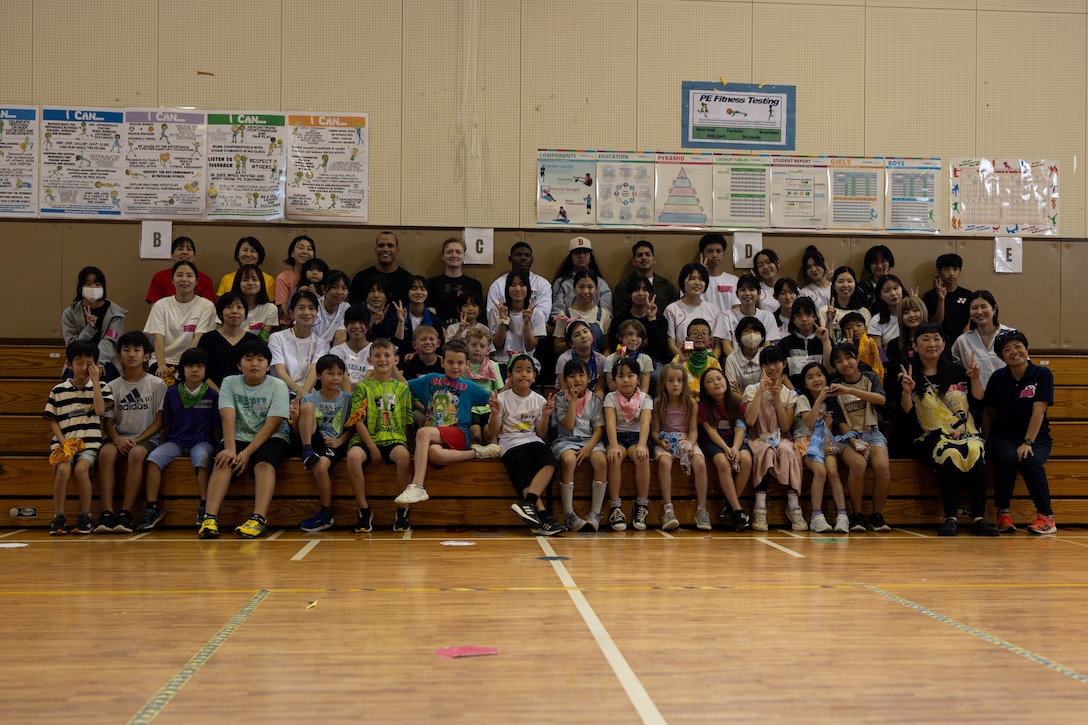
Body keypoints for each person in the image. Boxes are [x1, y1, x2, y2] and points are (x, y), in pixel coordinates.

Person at [896, 323, 998, 537]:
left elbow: (978, 400)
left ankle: (979, 518)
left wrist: (975, 378)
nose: (931, 344)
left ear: (944, 344)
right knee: (951, 453)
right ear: (915, 345)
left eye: (936, 339)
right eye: (925, 339)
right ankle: (950, 517)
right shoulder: (907, 373)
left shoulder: (959, 371)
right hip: (928, 436)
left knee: (976, 450)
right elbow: (905, 413)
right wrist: (907, 392)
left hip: (966, 431)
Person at [199, 340, 292, 539]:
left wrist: (247, 453)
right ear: (239, 365)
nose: (254, 364)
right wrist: (231, 448)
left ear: (268, 365)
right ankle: (210, 517)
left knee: (263, 463)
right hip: (238, 434)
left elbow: (272, 424)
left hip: (273, 436)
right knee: (222, 460)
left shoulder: (278, 385)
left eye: (260, 359)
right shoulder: (230, 382)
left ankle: (258, 518)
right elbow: (228, 415)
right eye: (248, 359)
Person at [395, 340, 496, 506]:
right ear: (442, 362)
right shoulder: (430, 379)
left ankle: (417, 485)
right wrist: (392, 365)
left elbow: (495, 399)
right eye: (450, 362)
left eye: (460, 363)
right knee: (434, 454)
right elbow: (404, 385)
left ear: (467, 364)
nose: (455, 366)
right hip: (437, 436)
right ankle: (476, 452)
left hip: (459, 433)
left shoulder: (468, 386)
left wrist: (507, 387)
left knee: (423, 432)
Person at [983, 330, 1057, 535]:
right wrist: (987, 440)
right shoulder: (998, 378)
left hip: (1036, 436)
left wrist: (1028, 442)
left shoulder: (1042, 374)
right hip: (1003, 436)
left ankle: (1046, 517)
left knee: (1028, 459)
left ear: (1026, 349)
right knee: (1006, 457)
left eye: (1018, 346)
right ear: (1001, 357)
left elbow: (1039, 410)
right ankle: (1003, 515)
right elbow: (989, 411)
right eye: (1007, 349)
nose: (1014, 352)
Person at [140, 347, 219, 531]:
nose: (194, 370)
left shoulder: (212, 395)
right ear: (181, 369)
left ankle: (205, 507)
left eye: (199, 366)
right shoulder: (172, 393)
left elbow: (216, 428)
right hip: (175, 442)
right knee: (152, 459)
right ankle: (152, 507)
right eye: (190, 366)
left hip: (202, 442)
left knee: (202, 459)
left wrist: (214, 447)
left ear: (206, 369)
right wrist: (167, 440)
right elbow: (166, 424)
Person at [95, 332, 166, 534]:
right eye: (126, 350)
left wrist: (136, 440)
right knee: (106, 454)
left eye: (137, 350)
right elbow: (107, 424)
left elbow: (160, 421)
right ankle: (107, 512)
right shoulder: (112, 386)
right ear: (119, 356)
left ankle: (126, 513)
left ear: (146, 356)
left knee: (136, 454)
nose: (132, 354)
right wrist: (118, 440)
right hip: (119, 437)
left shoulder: (157, 384)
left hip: (146, 438)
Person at [43, 339, 114, 535]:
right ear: (69, 364)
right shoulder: (58, 390)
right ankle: (58, 517)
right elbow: (52, 419)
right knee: (64, 470)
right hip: (64, 443)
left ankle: (85, 516)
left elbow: (100, 411)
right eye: (79, 363)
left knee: (82, 469)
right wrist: (62, 440)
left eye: (88, 363)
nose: (83, 367)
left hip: (89, 444)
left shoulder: (101, 387)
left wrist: (96, 383)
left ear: (96, 365)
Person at [344, 338, 415, 532]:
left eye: (387, 355)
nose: (382, 359)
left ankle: (403, 509)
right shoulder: (363, 387)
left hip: (394, 438)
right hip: (368, 439)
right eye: (377, 356)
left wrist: (410, 447)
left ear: (396, 360)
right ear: (369, 360)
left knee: (403, 456)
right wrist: (372, 447)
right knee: (353, 457)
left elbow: (408, 420)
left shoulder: (402, 389)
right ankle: (364, 510)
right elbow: (357, 419)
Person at [491, 354, 565, 535]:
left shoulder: (539, 400)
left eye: (528, 370)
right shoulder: (501, 399)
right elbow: (493, 432)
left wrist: (546, 415)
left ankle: (528, 503)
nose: (524, 374)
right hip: (510, 444)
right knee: (525, 476)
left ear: (534, 377)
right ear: (509, 376)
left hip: (533, 440)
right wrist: (494, 413)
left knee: (550, 462)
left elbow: (541, 433)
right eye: (518, 370)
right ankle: (545, 517)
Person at [827, 342, 892, 532]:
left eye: (848, 358)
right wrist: (853, 440)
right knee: (858, 464)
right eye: (838, 361)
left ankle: (877, 515)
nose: (845, 363)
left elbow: (880, 400)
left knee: (882, 467)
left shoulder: (871, 377)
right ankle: (856, 515)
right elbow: (839, 419)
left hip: (872, 432)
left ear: (857, 358)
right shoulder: (834, 386)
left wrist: (850, 390)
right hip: (847, 437)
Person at [742, 346, 804, 532]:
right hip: (758, 438)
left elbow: (786, 427)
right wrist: (761, 392)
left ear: (784, 364)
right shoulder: (752, 390)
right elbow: (750, 420)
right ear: (762, 367)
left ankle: (793, 506)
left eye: (776, 362)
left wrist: (777, 399)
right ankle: (759, 508)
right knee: (765, 451)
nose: (772, 368)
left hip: (781, 437)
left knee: (787, 451)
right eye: (766, 363)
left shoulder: (789, 394)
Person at [296, 355, 356, 532]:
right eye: (330, 373)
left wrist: (340, 441)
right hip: (313, 440)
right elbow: (298, 432)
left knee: (320, 467)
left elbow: (353, 427)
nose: (336, 378)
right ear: (319, 375)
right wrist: (295, 418)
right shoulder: (309, 399)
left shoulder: (348, 399)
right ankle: (307, 451)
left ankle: (326, 514)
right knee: (305, 408)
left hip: (333, 444)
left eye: (339, 374)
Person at [552, 358, 609, 532]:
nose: (577, 379)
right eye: (572, 375)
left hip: (589, 441)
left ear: (589, 377)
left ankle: (595, 514)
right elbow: (568, 425)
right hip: (566, 441)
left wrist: (588, 448)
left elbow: (598, 431)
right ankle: (569, 514)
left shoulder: (596, 400)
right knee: (569, 460)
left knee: (601, 462)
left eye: (581, 374)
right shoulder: (560, 399)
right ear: (565, 379)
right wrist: (573, 400)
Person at [652, 363, 711, 530]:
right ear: (663, 383)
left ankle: (702, 510)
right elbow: (654, 432)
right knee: (664, 462)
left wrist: (690, 444)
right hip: (667, 442)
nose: (675, 384)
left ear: (685, 383)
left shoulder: (691, 403)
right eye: (671, 380)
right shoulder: (658, 404)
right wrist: (660, 442)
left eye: (679, 380)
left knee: (700, 463)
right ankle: (668, 510)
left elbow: (693, 430)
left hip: (686, 440)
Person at [793, 362, 849, 533]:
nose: (816, 379)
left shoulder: (833, 399)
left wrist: (829, 425)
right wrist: (818, 400)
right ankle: (816, 516)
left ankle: (842, 516)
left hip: (826, 441)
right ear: (804, 383)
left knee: (832, 471)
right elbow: (809, 422)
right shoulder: (803, 399)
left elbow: (832, 427)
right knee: (821, 471)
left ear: (826, 377)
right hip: (806, 441)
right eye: (810, 377)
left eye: (819, 375)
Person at [697, 368, 751, 531]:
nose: (716, 383)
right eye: (710, 381)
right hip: (713, 442)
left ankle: (730, 505)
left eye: (719, 378)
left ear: (726, 382)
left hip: (734, 440)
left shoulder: (737, 405)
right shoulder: (702, 407)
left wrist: (734, 447)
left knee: (746, 459)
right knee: (722, 462)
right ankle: (738, 510)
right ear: (705, 390)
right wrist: (726, 448)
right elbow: (711, 431)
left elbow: (740, 429)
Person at [144, 260, 217, 381]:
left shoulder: (206, 306)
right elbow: (158, 337)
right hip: (163, 360)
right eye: (179, 275)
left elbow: (198, 337)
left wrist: (186, 365)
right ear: (172, 280)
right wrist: (161, 365)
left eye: (189, 275)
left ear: (197, 281)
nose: (184, 279)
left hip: (192, 362)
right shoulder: (161, 305)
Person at [604, 357, 654, 531]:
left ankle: (642, 504)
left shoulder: (645, 398)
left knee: (642, 457)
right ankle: (615, 507)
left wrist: (642, 445)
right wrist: (613, 445)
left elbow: (645, 423)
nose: (626, 380)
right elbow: (610, 423)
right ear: (615, 379)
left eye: (630, 375)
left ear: (638, 378)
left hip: (636, 437)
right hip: (616, 437)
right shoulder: (610, 397)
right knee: (615, 458)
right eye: (620, 376)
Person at [61, 266, 126, 381]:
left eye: (97, 284)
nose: (93, 288)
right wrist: (89, 329)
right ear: (81, 287)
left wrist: (98, 363)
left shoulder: (115, 313)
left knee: (105, 378)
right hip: (78, 360)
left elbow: (110, 342)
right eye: (88, 284)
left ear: (103, 287)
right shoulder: (70, 313)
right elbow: (72, 345)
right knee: (70, 379)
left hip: (106, 360)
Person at [269, 290, 330, 399]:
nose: (307, 312)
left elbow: (314, 371)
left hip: (308, 394)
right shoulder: (277, 338)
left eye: (311, 308)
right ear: (292, 312)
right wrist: (299, 391)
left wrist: (304, 394)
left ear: (317, 313)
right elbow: (280, 371)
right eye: (301, 308)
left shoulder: (322, 344)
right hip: (280, 393)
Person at [665, 262, 731, 359]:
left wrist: (710, 361)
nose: (697, 283)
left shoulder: (714, 310)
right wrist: (687, 360)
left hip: (709, 363)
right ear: (683, 281)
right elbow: (671, 345)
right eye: (692, 278)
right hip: (683, 362)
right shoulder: (672, 309)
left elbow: (717, 345)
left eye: (701, 279)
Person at [951, 290, 1012, 390]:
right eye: (974, 308)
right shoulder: (962, 341)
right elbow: (954, 371)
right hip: (976, 398)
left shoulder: (1010, 335)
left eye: (984, 306)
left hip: (1008, 395)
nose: (979, 312)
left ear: (994, 308)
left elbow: (1024, 366)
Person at [198, 292, 259, 390]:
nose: (234, 311)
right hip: (214, 394)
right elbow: (201, 371)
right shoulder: (207, 339)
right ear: (220, 313)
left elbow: (258, 373)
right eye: (229, 307)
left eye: (239, 307)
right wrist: (221, 395)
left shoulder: (253, 341)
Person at [490, 268, 546, 375]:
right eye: (513, 285)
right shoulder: (497, 310)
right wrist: (503, 321)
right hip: (502, 361)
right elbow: (497, 345)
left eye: (522, 285)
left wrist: (526, 323)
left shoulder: (536, 313)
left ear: (528, 288)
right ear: (507, 288)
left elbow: (530, 346)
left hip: (526, 360)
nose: (517, 289)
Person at [612, 239, 680, 324]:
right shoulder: (624, 286)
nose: (644, 258)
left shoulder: (666, 286)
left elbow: (675, 312)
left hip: (661, 331)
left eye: (648, 255)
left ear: (654, 259)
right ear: (633, 261)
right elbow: (619, 315)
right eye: (639, 255)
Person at [485, 241, 553, 323]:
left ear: (532, 259)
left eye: (527, 255)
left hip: (533, 332)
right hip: (504, 331)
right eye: (518, 255)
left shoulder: (542, 284)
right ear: (510, 259)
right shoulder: (498, 285)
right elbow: (492, 316)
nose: (523, 258)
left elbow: (544, 315)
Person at [609, 276, 671, 364]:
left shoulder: (660, 319)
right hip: (626, 359)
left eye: (645, 289)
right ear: (628, 294)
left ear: (651, 294)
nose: (641, 293)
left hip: (653, 362)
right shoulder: (620, 320)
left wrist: (652, 319)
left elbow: (661, 347)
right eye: (636, 289)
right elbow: (615, 342)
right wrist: (622, 353)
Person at [550, 236, 613, 319]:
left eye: (585, 252)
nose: (582, 256)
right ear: (571, 257)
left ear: (590, 257)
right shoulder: (561, 283)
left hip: (595, 327)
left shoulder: (601, 284)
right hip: (568, 327)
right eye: (577, 252)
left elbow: (607, 315)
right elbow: (556, 314)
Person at [349, 230, 415, 307]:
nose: (385, 249)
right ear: (376, 250)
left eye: (390, 245)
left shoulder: (409, 280)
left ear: (397, 251)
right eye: (381, 245)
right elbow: (355, 312)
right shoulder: (360, 278)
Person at [427, 237, 483, 328]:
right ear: (443, 256)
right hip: (440, 330)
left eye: (458, 252)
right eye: (449, 252)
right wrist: (442, 331)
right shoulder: (432, 283)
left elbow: (476, 315)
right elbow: (430, 312)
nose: (454, 255)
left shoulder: (474, 285)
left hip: (467, 330)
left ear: (464, 256)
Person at [463, 327, 504, 450]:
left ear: (488, 350)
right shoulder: (462, 365)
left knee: (490, 435)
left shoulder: (493, 366)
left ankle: (494, 462)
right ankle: (473, 462)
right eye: (473, 345)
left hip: (489, 408)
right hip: (470, 408)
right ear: (466, 346)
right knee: (475, 436)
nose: (477, 349)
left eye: (482, 346)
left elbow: (500, 391)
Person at [554, 269, 611, 355]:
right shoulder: (564, 315)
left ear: (596, 289)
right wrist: (574, 341)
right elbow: (557, 348)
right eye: (581, 287)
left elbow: (607, 348)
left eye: (590, 287)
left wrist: (603, 363)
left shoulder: (604, 314)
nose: (585, 292)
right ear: (574, 288)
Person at [777, 296, 831, 386]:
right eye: (799, 316)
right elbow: (782, 374)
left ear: (815, 317)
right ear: (793, 319)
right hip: (793, 394)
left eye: (808, 314)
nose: (804, 319)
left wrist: (825, 341)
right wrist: (795, 393)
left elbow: (830, 371)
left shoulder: (825, 341)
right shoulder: (784, 344)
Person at [145, 236, 215, 304]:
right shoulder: (159, 277)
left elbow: (208, 308)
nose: (185, 252)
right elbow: (155, 309)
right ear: (172, 255)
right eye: (180, 249)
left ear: (194, 256)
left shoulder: (206, 280)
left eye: (189, 249)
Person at [922, 253, 973, 341]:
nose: (951, 273)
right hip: (940, 341)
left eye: (955, 269)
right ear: (939, 271)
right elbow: (935, 323)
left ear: (960, 271)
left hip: (965, 340)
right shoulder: (929, 296)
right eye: (946, 269)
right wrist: (941, 299)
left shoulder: (968, 295)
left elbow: (973, 318)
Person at [817, 266, 870, 343]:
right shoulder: (824, 311)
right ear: (834, 286)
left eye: (849, 281)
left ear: (855, 284)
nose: (845, 285)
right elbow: (823, 340)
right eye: (840, 281)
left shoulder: (864, 312)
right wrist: (829, 321)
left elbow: (867, 339)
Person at [725, 273, 780, 348]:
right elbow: (726, 345)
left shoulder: (768, 316)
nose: (747, 293)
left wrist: (759, 359)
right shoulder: (727, 315)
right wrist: (735, 359)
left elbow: (767, 344)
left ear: (759, 293)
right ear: (737, 294)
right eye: (743, 290)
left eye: (751, 289)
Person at [555, 319, 606, 397]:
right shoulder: (564, 359)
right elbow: (564, 388)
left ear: (592, 335)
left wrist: (594, 406)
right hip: (567, 396)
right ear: (571, 343)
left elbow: (599, 389)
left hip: (591, 397)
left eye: (585, 331)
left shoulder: (601, 360)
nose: (583, 336)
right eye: (577, 335)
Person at [393, 275, 440, 358]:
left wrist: (416, 355)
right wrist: (401, 322)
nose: (419, 292)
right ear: (407, 291)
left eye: (423, 289)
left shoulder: (434, 320)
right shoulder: (396, 316)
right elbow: (396, 345)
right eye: (414, 289)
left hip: (426, 360)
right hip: (401, 361)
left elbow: (437, 348)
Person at [672, 318, 721, 397]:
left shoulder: (713, 361)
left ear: (710, 340)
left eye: (704, 333)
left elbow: (719, 385)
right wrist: (681, 361)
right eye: (694, 333)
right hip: (684, 399)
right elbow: (671, 380)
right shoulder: (678, 358)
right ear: (687, 339)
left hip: (707, 401)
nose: (699, 336)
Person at [724, 316, 767, 405]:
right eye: (746, 331)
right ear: (739, 337)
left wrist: (742, 393)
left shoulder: (767, 355)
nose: (751, 334)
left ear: (762, 336)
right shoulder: (732, 359)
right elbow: (732, 392)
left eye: (755, 331)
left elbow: (769, 386)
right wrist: (751, 403)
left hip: (766, 403)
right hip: (741, 406)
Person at [275, 234, 316, 324]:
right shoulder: (283, 277)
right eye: (301, 248)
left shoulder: (317, 276)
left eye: (309, 249)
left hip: (315, 323)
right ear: (292, 253)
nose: (305, 252)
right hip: (289, 322)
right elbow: (284, 308)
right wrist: (301, 323)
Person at [329, 306, 372, 392]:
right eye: (352, 322)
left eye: (361, 322)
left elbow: (371, 375)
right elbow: (341, 375)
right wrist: (350, 399)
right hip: (342, 397)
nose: (356, 326)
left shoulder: (375, 350)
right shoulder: (337, 351)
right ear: (345, 325)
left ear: (368, 325)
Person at [231, 264, 278, 340]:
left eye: (255, 279)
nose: (250, 283)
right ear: (238, 283)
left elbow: (263, 339)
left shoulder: (270, 309)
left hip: (255, 348)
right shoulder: (228, 306)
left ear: (261, 283)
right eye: (245, 280)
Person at [605, 319, 654, 393]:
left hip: (638, 400)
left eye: (638, 336)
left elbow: (644, 390)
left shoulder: (646, 359)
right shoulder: (611, 359)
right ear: (620, 337)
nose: (634, 339)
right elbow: (612, 388)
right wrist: (621, 364)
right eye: (630, 334)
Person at [697, 233, 740, 317]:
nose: (714, 255)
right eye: (709, 251)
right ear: (702, 254)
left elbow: (737, 308)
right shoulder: (695, 281)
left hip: (728, 326)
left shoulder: (734, 280)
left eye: (718, 251)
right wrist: (701, 274)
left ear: (723, 253)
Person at [313, 270, 351, 346]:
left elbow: (341, 335)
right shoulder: (313, 305)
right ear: (323, 289)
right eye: (334, 287)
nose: (339, 292)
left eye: (344, 288)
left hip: (331, 353)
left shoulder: (346, 308)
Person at [868, 274, 905, 348]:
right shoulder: (877, 320)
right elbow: (878, 352)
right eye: (887, 291)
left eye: (895, 288)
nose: (893, 294)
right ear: (880, 296)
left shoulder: (911, 315)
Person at [856, 244, 894, 313]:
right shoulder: (861, 288)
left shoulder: (897, 285)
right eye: (875, 262)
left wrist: (886, 281)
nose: (879, 266)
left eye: (883, 261)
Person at [798, 245, 833, 310]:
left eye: (816, 264)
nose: (813, 270)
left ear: (824, 264)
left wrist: (835, 281)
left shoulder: (836, 287)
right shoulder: (804, 293)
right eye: (809, 267)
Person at [753, 248, 782, 313]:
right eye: (760, 265)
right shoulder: (756, 290)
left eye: (768, 262)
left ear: (778, 263)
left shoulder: (789, 286)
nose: (765, 267)